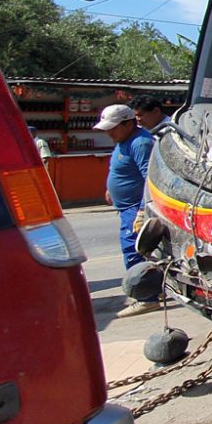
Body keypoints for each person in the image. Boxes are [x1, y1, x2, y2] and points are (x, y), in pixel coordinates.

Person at [94, 104, 160, 318]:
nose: (109, 133)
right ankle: (147, 294)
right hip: (126, 208)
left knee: (133, 252)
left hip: (135, 209)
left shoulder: (141, 143)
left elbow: (150, 178)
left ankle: (146, 299)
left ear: (128, 123)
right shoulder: (124, 141)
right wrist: (110, 188)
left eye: (113, 128)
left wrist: (142, 210)